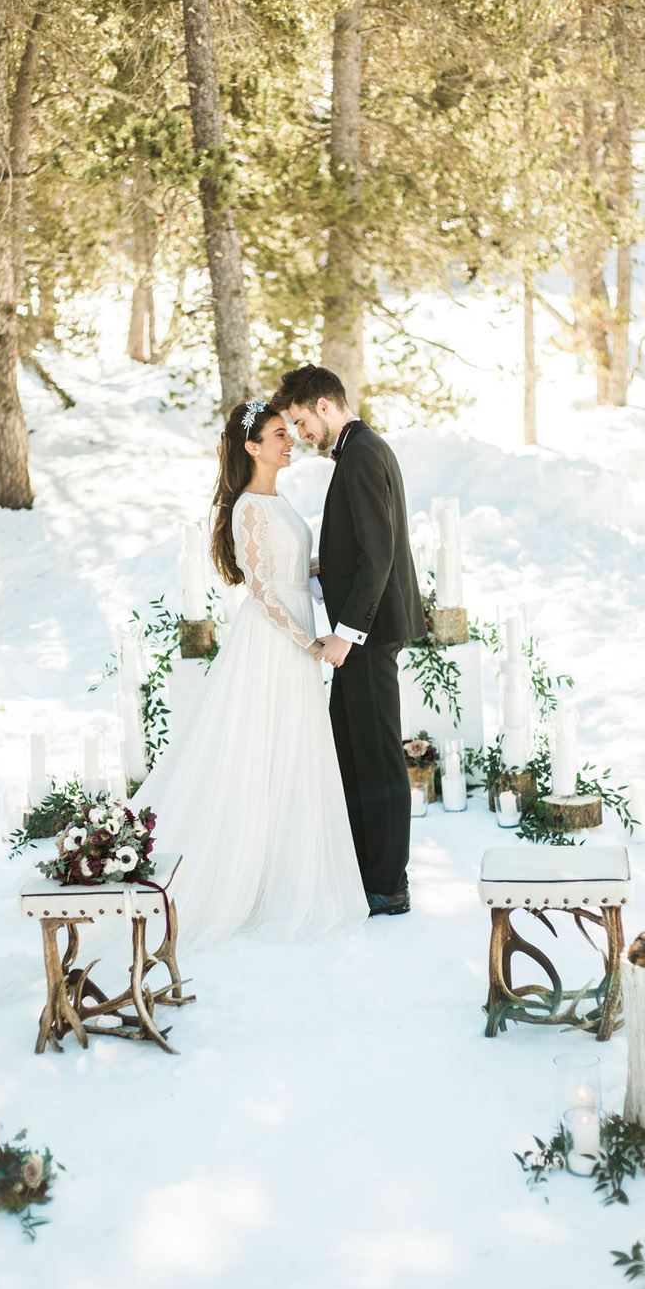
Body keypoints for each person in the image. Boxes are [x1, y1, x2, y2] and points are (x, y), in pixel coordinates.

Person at [130, 398, 368, 950]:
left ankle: (281, 872)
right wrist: (308, 639)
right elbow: (263, 590)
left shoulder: (275, 500)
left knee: (290, 749)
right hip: (273, 642)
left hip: (292, 636)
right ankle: (237, 875)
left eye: (290, 433)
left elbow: (288, 571)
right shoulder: (249, 508)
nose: (290, 442)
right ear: (252, 447)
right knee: (258, 747)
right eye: (279, 435)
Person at [273, 365, 427, 917]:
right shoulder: (362, 450)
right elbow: (363, 547)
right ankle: (363, 869)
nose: (299, 434)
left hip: (366, 635)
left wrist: (345, 634)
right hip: (364, 633)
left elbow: (380, 554)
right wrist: (323, 566)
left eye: (299, 421)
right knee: (352, 751)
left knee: (378, 758)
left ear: (322, 405)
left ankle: (388, 883)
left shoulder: (362, 455)